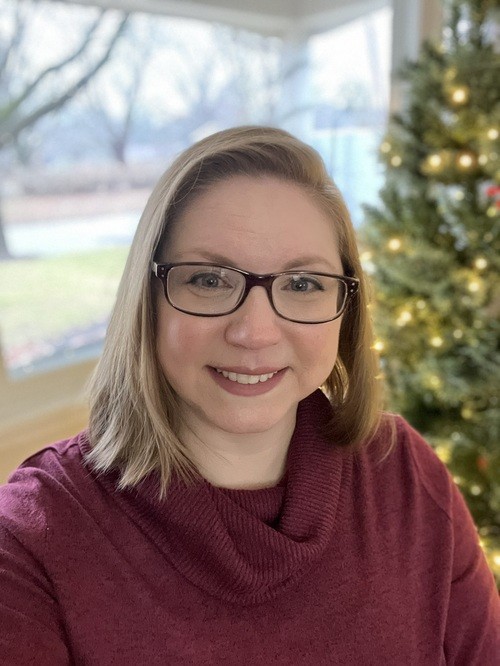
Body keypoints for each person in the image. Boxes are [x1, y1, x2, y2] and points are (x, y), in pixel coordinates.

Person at [0, 127, 498, 665]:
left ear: (346, 308)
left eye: (303, 284)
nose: (254, 333)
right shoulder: (33, 541)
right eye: (210, 280)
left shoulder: (404, 472)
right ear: (148, 299)